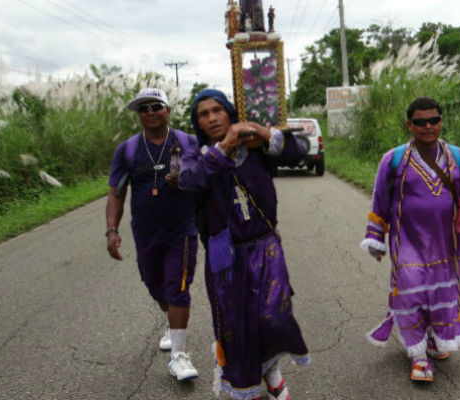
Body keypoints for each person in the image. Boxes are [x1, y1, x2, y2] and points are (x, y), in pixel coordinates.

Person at [176, 89, 310, 400]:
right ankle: (248, 389)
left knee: (273, 315)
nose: (211, 118)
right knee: (237, 325)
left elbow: (297, 151)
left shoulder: (255, 146)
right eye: (203, 114)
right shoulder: (196, 155)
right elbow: (190, 183)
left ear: (230, 112)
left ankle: (271, 370)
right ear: (198, 123)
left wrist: (263, 132)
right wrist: (223, 148)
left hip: (265, 246)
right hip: (226, 254)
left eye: (217, 111)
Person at [360, 97, 460, 382]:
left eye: (434, 120)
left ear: (441, 121)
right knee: (412, 292)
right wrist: (376, 238)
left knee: (440, 294)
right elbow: (380, 201)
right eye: (420, 122)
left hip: (445, 244)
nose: (428, 127)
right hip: (407, 242)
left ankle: (434, 338)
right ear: (409, 125)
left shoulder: (459, 158)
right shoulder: (394, 159)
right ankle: (419, 356)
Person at [105, 88, 200, 381]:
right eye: (143, 108)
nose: (150, 112)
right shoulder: (128, 150)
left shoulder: (187, 143)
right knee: (155, 287)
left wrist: (186, 179)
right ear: (138, 115)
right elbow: (117, 193)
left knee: (177, 288)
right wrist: (112, 230)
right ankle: (171, 323)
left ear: (168, 110)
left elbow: (207, 180)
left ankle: (179, 357)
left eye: (156, 106)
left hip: (182, 231)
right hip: (146, 235)